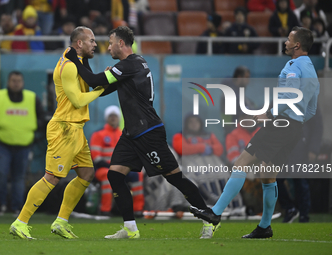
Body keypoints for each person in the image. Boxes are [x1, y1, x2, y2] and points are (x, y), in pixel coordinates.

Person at [65, 26, 217, 239]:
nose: (107, 47)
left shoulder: (131, 64)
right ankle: (130, 228)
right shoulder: (131, 65)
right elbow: (100, 89)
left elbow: (93, 81)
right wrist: (100, 73)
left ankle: (209, 218)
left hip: (148, 132)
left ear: (121, 43)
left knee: (175, 178)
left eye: (110, 43)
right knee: (115, 175)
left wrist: (76, 59)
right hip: (132, 133)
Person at [189, 26, 320, 238]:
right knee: (267, 175)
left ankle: (215, 213)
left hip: (281, 123)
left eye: (288, 39)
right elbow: (312, 108)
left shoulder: (295, 65)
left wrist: (270, 113)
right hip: (294, 128)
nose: (285, 42)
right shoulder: (311, 69)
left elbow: (290, 95)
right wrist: (297, 121)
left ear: (297, 45)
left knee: (241, 162)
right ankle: (264, 227)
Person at [9, 26, 106, 239]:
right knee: (51, 177)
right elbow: (77, 100)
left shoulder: (76, 61)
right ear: (79, 43)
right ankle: (20, 221)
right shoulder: (69, 67)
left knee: (86, 174)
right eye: (91, 40)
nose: (95, 44)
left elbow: (87, 77)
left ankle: (61, 222)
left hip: (76, 128)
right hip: (64, 127)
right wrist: (100, 90)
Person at [0, 71, 45, 216]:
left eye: (19, 81)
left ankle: (17, 207)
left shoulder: (32, 98)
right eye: (13, 80)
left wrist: (33, 126)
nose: (16, 83)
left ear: (22, 82)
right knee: (0, 175)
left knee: (19, 178)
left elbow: (42, 117)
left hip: (25, 145)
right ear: (8, 82)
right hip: (2, 144)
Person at [90, 105, 144, 216]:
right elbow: (96, 158)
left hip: (122, 168)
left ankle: (138, 210)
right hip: (102, 169)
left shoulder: (124, 135)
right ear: (107, 118)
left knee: (137, 175)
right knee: (107, 175)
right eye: (111, 116)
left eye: (115, 116)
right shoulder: (98, 134)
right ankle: (105, 210)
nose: (113, 118)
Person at [277, 106, 323, 223]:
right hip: (281, 146)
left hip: (300, 147)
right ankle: (290, 208)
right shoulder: (280, 96)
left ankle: (303, 215)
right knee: (274, 179)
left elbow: (317, 126)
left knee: (300, 181)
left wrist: (313, 149)